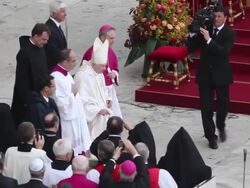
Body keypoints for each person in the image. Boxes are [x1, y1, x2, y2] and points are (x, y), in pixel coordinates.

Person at [187, 5, 235, 149]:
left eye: (219, 16)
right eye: (215, 16)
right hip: (205, 75)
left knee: (223, 104)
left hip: (221, 74)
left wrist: (208, 39)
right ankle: (211, 137)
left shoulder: (229, 33)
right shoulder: (206, 28)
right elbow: (191, 47)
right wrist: (192, 34)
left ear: (225, 17)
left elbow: (223, 52)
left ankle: (221, 125)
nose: (216, 19)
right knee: (206, 107)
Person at [51, 49, 91, 155]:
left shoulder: (66, 73)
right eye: (73, 61)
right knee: (70, 147)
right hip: (67, 120)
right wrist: (72, 94)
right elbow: (59, 102)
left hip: (75, 113)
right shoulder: (56, 77)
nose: (76, 63)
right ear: (65, 62)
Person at [11, 23, 50, 126]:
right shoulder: (24, 53)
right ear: (35, 36)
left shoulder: (40, 47)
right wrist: (29, 102)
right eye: (43, 39)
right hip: (28, 100)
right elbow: (22, 81)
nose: (45, 42)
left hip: (40, 95)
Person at [82, 24, 122, 118]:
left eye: (114, 38)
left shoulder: (109, 50)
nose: (113, 41)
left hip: (109, 90)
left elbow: (115, 68)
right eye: (111, 38)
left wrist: (114, 74)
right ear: (102, 37)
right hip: (97, 90)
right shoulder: (91, 53)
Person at [75, 37, 112, 139]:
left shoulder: (98, 73)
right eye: (102, 66)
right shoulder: (83, 76)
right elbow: (81, 100)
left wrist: (108, 99)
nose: (104, 69)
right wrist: (97, 110)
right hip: (92, 118)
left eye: (105, 66)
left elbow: (103, 91)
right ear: (94, 63)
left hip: (102, 115)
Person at [45, 0, 67, 72]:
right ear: (54, 13)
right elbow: (53, 52)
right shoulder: (49, 29)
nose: (65, 14)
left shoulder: (55, 26)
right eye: (62, 11)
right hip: (53, 70)